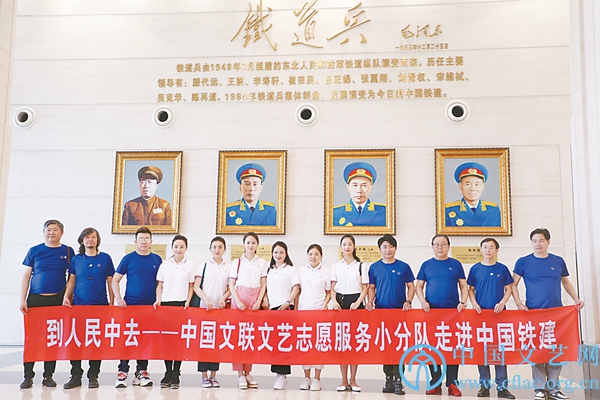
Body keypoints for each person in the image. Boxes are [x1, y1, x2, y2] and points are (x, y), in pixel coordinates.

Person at [512, 228, 584, 400]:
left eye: (541, 240)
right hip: (533, 313)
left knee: (554, 350)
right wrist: (519, 303)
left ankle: (553, 388)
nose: (538, 244)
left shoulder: (558, 261)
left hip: (556, 314)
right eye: (534, 241)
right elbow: (513, 284)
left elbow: (565, 282)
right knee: (536, 351)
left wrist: (576, 299)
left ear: (548, 242)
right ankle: (539, 388)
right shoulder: (523, 262)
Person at [19, 220, 75, 389]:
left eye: (55, 230)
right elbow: (26, 276)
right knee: (32, 338)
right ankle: (28, 376)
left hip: (57, 300)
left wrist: (67, 297)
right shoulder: (34, 250)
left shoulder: (68, 251)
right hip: (36, 299)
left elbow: (72, 277)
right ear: (44, 232)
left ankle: (48, 376)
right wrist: (22, 299)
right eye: (48, 230)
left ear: (62, 232)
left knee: (52, 338)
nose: (51, 233)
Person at [62, 227, 115, 389]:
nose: (90, 240)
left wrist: (112, 302)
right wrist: (66, 297)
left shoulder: (105, 258)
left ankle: (93, 375)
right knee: (75, 341)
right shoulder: (76, 260)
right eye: (87, 237)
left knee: (95, 342)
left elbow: (110, 281)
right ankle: (75, 375)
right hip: (78, 306)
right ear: (82, 240)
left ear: (97, 240)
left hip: (100, 306)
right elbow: (72, 280)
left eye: (93, 237)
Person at [415, 234, 467, 397]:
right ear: (432, 247)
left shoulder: (456, 264)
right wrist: (423, 301)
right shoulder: (426, 265)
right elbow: (418, 286)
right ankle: (435, 382)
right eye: (436, 244)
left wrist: (463, 302)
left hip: (452, 314)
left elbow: (463, 286)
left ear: (448, 246)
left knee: (452, 348)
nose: (440, 247)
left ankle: (452, 383)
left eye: (443, 244)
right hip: (432, 314)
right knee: (433, 349)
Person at [112, 226, 162, 388]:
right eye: (141, 238)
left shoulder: (157, 260)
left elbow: (160, 283)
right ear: (135, 241)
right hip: (130, 306)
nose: (144, 241)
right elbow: (115, 280)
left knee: (145, 339)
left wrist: (158, 299)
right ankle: (122, 371)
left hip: (149, 307)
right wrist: (118, 298)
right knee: (128, 338)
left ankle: (141, 371)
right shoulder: (128, 259)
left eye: (147, 238)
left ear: (151, 241)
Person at [467, 238, 515, 399]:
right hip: (480, 317)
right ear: (481, 250)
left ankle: (502, 387)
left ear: (497, 250)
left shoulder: (502, 268)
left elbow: (509, 288)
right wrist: (474, 303)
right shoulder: (475, 269)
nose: (488, 250)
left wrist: (502, 303)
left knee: (499, 351)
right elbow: (470, 289)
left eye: (491, 247)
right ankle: (484, 386)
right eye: (485, 247)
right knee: (482, 351)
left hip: (499, 317)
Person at [366, 234, 415, 396]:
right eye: (385, 247)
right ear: (380, 249)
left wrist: (408, 301)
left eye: (391, 246)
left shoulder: (404, 266)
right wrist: (370, 302)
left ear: (395, 248)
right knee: (386, 347)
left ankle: (398, 379)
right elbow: (371, 288)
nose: (388, 250)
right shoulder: (374, 267)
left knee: (399, 347)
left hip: (400, 313)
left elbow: (411, 286)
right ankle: (388, 378)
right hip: (381, 312)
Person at [154, 235, 195, 389]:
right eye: (176, 246)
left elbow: (191, 286)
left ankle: (176, 372)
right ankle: (168, 372)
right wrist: (158, 299)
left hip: (181, 305)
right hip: (166, 304)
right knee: (167, 341)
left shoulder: (190, 265)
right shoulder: (164, 265)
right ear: (172, 247)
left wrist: (188, 301)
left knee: (179, 341)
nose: (178, 249)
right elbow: (160, 285)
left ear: (186, 248)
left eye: (182, 247)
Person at [229, 232, 268, 389]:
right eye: (248, 242)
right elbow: (231, 284)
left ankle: (248, 372)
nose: (250, 245)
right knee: (239, 337)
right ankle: (240, 374)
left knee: (251, 336)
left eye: (253, 242)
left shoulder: (262, 263)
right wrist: (238, 301)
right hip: (240, 297)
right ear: (243, 244)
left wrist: (259, 300)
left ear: (257, 245)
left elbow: (264, 284)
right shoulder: (237, 262)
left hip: (255, 298)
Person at [330, 234, 369, 392]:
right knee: (342, 342)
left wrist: (358, 302)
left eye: (349, 244)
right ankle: (343, 379)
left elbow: (365, 288)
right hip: (340, 304)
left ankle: (353, 379)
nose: (347, 247)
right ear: (341, 247)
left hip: (356, 303)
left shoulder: (361, 266)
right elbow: (332, 288)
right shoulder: (335, 267)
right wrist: (334, 301)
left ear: (354, 246)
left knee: (354, 343)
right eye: (344, 244)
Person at [193, 236, 231, 388]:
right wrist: (206, 299)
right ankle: (204, 376)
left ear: (224, 249)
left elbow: (231, 288)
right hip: (204, 309)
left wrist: (223, 298)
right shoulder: (203, 265)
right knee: (204, 343)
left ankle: (213, 376)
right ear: (210, 248)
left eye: (220, 247)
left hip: (220, 311)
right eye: (214, 247)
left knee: (216, 343)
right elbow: (196, 287)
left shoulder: (229, 267)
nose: (217, 250)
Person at [264, 241, 300, 390]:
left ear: (286, 254)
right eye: (276, 252)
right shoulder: (270, 270)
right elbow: (265, 288)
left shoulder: (291, 270)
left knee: (284, 342)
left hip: (285, 308)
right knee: (274, 343)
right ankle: (277, 374)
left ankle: (283, 375)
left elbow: (296, 289)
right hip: (272, 309)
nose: (278, 255)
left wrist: (288, 302)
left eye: (281, 252)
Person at [297, 244, 330, 391]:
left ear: (321, 256)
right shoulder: (301, 271)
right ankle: (306, 378)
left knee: (318, 345)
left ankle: (317, 378)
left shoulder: (326, 272)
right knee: (305, 345)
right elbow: (297, 292)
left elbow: (329, 292)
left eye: (316, 254)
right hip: (303, 312)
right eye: (310, 254)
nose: (313, 257)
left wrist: (325, 304)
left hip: (319, 313)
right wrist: (296, 310)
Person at [445, 162, 501, 227]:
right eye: (468, 184)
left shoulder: (493, 210)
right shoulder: (448, 210)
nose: (472, 189)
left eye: (476, 184)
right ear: (460, 186)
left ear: (483, 187)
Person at [333, 162, 386, 227]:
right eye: (355, 185)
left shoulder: (384, 212)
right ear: (348, 187)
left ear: (371, 187)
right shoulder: (335, 213)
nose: (359, 191)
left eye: (364, 185)